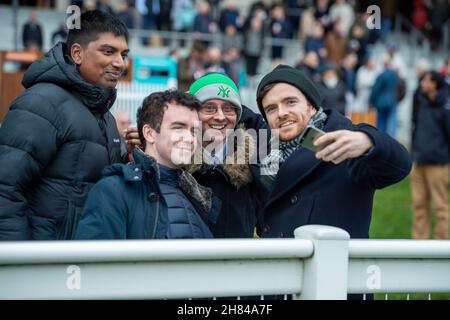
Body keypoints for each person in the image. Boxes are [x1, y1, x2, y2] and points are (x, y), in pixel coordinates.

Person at [0, 10, 130, 240]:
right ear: (77, 53)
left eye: (124, 54)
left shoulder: (105, 116)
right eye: (108, 52)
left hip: (84, 264)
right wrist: (21, 263)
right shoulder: (41, 103)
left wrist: (127, 159)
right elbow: (5, 190)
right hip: (45, 268)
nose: (120, 63)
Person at [256, 64, 412, 239]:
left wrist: (368, 142)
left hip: (332, 263)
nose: (281, 113)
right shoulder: (263, 151)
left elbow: (400, 165)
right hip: (275, 263)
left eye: (290, 102)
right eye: (271, 109)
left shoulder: (344, 141)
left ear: (311, 105)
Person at [76, 90, 218, 239]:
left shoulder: (199, 195)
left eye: (194, 131)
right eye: (178, 127)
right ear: (149, 133)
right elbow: (98, 260)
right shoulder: (113, 191)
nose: (189, 138)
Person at [187, 73, 269, 238]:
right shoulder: (174, 162)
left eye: (228, 108)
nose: (220, 116)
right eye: (209, 107)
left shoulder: (257, 163)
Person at [410, 71, 450, 240]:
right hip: (419, 160)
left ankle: (442, 244)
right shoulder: (420, 99)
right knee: (419, 205)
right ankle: (419, 243)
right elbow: (414, 124)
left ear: (435, 84)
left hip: (439, 163)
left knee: (440, 206)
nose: (422, 83)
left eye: (427, 80)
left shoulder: (446, 105)